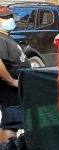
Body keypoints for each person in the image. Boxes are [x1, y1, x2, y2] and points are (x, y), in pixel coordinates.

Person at [0, 8, 28, 142]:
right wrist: (11, 81)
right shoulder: (0, 38)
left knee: (11, 124)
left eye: (11, 16)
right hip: (10, 92)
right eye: (5, 18)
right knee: (10, 126)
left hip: (16, 90)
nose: (10, 20)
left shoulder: (5, 37)